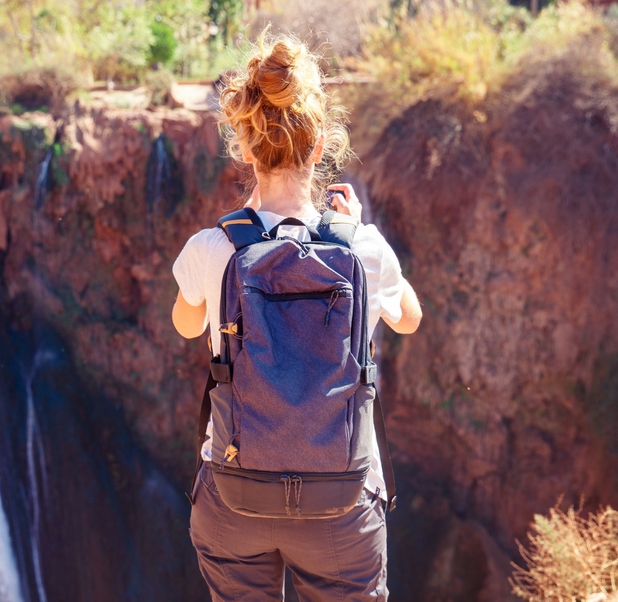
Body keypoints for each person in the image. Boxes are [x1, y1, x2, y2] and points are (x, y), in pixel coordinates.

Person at [171, 32, 422, 601]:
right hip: (342, 500)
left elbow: (187, 325)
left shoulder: (212, 248)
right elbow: (408, 317)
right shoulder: (362, 248)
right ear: (319, 147)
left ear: (243, 146)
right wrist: (359, 230)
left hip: (234, 496)